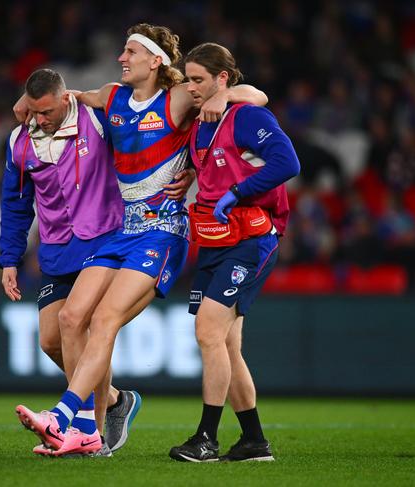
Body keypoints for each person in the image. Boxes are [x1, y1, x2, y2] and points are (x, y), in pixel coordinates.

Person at [14, 24, 268, 457]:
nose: (121, 58)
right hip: (120, 229)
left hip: (162, 228)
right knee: (72, 318)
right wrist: (25, 100)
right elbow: (64, 97)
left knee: (104, 320)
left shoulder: (178, 98)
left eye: (130, 51)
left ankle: (70, 421)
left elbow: (256, 97)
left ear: (155, 60)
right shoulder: (111, 96)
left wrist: (225, 95)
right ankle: (94, 422)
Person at [0, 68, 193, 455]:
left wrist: (185, 169)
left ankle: (91, 433)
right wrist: (9, 259)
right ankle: (118, 400)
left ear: (65, 98)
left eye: (48, 111)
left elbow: (146, 126)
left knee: (78, 322)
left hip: (105, 239)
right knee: (51, 341)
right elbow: (15, 204)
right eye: (34, 112)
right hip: (55, 251)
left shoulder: (96, 119)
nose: (41, 120)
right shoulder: (20, 142)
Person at [168, 42, 300, 463]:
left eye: (199, 79)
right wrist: (194, 172)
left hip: (251, 238)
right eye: (187, 78)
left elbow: (287, 162)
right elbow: (218, 162)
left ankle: (206, 438)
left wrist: (239, 191)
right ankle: (254, 441)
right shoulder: (200, 122)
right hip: (215, 239)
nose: (190, 87)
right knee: (226, 345)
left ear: (223, 79)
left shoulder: (246, 115)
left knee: (207, 332)